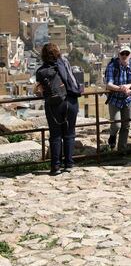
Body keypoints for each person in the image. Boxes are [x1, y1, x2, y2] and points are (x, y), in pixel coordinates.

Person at [35, 43, 83, 176]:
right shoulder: (64, 63)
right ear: (57, 52)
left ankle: (55, 166)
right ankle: (69, 163)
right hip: (70, 102)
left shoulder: (40, 71)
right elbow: (72, 80)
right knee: (69, 133)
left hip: (53, 104)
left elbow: (39, 90)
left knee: (55, 135)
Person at [104, 44, 131, 152]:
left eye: (127, 53)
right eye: (122, 53)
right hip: (115, 98)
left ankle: (121, 150)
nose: (124, 55)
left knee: (126, 125)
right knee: (116, 124)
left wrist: (128, 86)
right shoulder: (112, 66)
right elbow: (109, 84)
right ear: (118, 55)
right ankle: (112, 135)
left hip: (128, 99)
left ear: (130, 55)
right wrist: (122, 89)